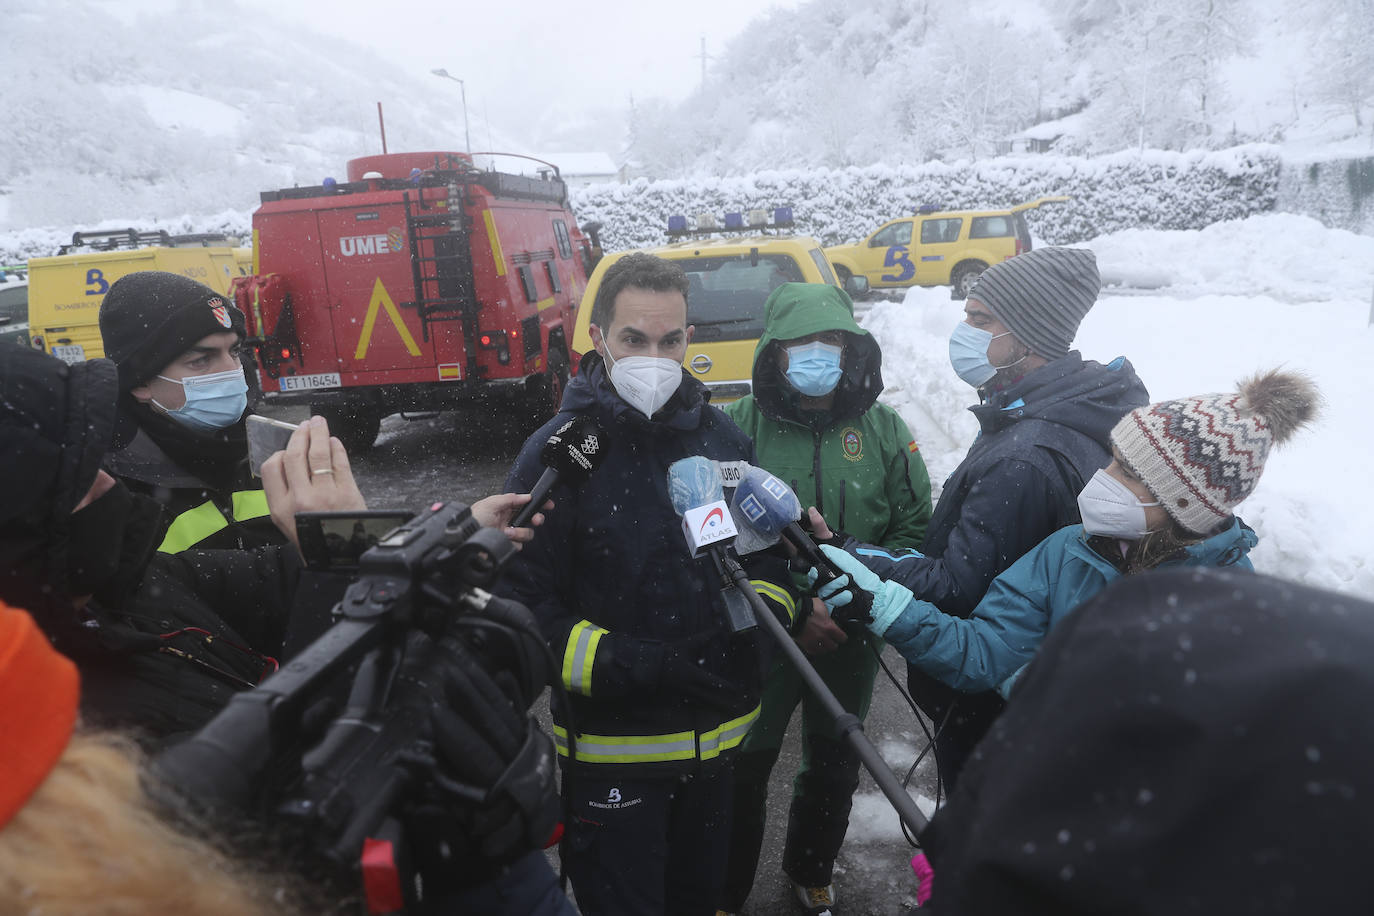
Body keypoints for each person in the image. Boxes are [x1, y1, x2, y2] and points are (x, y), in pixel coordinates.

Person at [0, 345, 543, 740]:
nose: (107, 484)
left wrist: (454, 530)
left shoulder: (126, 588)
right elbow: (311, 764)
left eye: (231, 354)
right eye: (71, 479)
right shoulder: (61, 713)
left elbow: (276, 574)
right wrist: (335, 553)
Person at [500, 252, 798, 916]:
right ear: (599, 338)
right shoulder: (556, 456)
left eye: (670, 340)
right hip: (613, 761)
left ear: (690, 339)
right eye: (635, 339)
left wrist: (757, 639)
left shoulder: (724, 442)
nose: (654, 358)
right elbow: (522, 605)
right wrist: (639, 665)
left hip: (722, 755)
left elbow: (768, 563)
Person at [833, 246, 1149, 789]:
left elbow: (960, 587)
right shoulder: (1056, 411)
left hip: (994, 706)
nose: (966, 332)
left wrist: (852, 554)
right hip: (1041, 693)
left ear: (1028, 334)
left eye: (981, 320)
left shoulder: (1026, 456)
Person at [815, 369, 1320, 704]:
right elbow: (983, 652)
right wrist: (887, 605)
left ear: (1182, 506)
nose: (1105, 479)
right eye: (1114, 460)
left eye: (1129, 473)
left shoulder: (1232, 606)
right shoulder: (1067, 552)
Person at [914, 566, 1374, 914]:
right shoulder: (1229, 601)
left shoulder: (1165, 601)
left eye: (1129, 469)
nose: (1103, 479)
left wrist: (964, 881)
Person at [718, 282, 933, 916]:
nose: (817, 356)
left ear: (852, 350)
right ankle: (728, 889)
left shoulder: (885, 429)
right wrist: (793, 602)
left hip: (852, 632)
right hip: (766, 628)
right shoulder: (735, 427)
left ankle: (811, 867)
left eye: (831, 342)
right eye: (800, 345)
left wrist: (851, 600)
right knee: (746, 759)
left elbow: (914, 526)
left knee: (836, 757)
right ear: (774, 354)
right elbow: (715, 536)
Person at [98, 270, 280, 553]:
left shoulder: (268, 451)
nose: (233, 371)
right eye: (201, 360)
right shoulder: (109, 493)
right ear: (141, 382)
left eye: (234, 351)